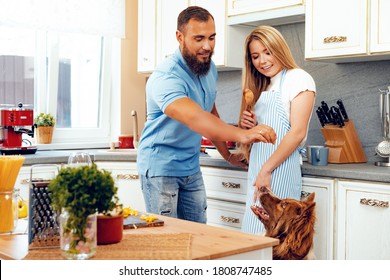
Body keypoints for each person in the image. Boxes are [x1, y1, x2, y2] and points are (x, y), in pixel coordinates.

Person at [137, 6, 277, 224]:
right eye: (199, 38)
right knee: (167, 239)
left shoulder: (207, 67)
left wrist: (227, 154)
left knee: (198, 235)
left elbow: (209, 111)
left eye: (212, 38)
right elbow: (195, 118)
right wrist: (243, 134)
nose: (207, 46)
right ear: (179, 37)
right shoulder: (166, 77)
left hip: (191, 166)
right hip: (161, 169)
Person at [239, 26, 316, 234]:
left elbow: (297, 132)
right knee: (254, 238)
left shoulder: (298, 78)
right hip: (259, 172)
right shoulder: (265, 86)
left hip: (278, 171)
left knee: (276, 240)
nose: (262, 61)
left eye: (268, 52)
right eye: (255, 56)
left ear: (279, 49)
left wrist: (267, 169)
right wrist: (249, 128)